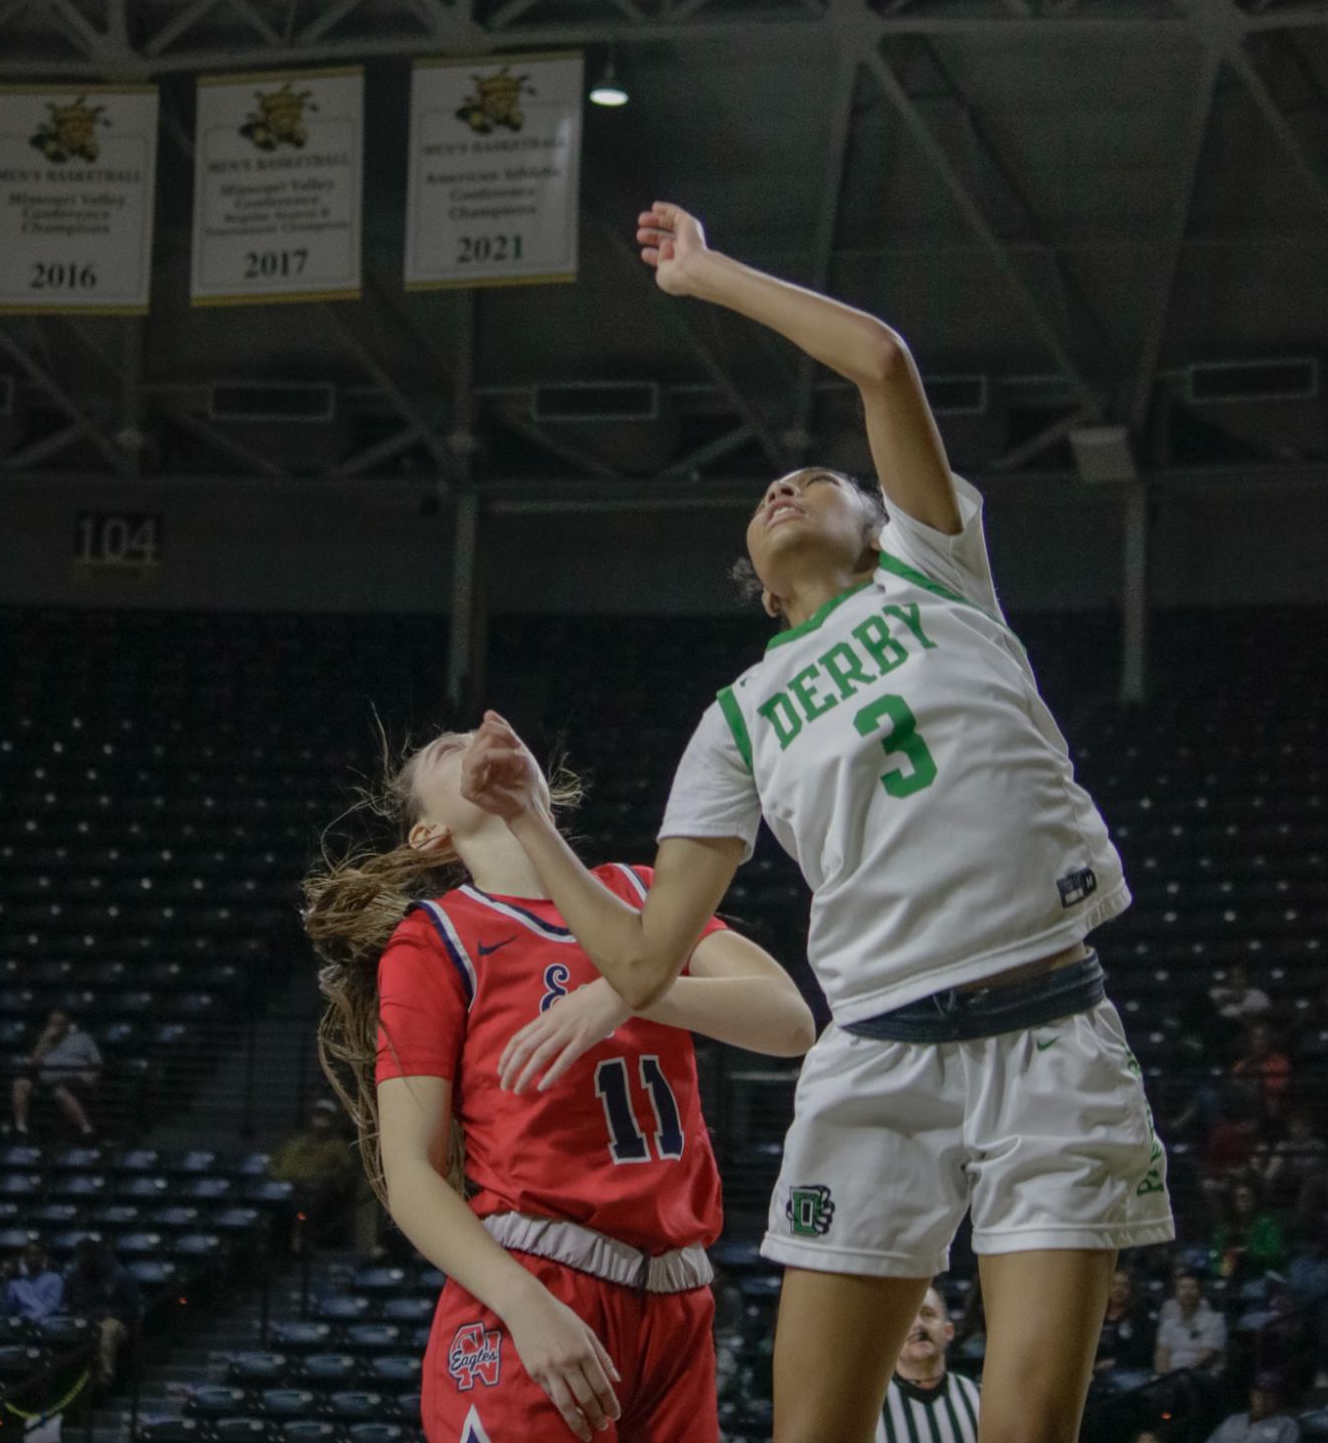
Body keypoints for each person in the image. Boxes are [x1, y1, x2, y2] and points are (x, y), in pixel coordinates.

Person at [460, 199, 1175, 1443]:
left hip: (1052, 1036)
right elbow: (636, 962)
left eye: (821, 479)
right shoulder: (733, 718)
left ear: (876, 521)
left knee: (1027, 1427)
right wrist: (530, 820)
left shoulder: (930, 570)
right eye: (767, 493)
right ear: (752, 566)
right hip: (881, 1058)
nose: (788, 484)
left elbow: (879, 361)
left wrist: (707, 275)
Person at [303, 727, 814, 1443]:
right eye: (445, 751)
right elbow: (411, 1171)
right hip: (540, 1280)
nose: (468, 736)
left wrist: (630, 990)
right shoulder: (438, 935)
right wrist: (522, 1303)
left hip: (677, 1301)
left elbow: (791, 1021)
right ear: (431, 833)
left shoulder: (639, 894)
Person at [877, 1284, 979, 1443]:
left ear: (949, 1331)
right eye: (907, 1316)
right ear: (891, 1336)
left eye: (928, 1314)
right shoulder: (869, 1408)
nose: (919, 1324)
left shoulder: (979, 1398)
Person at [269, 1098, 358, 1252]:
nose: (320, 1121)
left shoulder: (338, 1146)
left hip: (318, 1191)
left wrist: (327, 1178)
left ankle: (307, 1244)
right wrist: (278, 1176)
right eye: (318, 1115)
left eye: (325, 1117)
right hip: (287, 1187)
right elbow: (274, 1162)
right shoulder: (294, 1143)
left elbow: (347, 1171)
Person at [10, 1009, 101, 1138]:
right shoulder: (43, 1040)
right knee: (19, 1084)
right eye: (52, 1023)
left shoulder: (83, 1038)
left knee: (60, 1092)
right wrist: (44, 1040)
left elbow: (97, 1063)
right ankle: (20, 1129)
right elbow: (33, 1064)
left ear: (66, 1025)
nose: (54, 1026)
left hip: (75, 1079)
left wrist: (91, 1077)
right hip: (45, 1081)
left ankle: (87, 1130)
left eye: (58, 1023)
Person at [61, 1237, 139, 1386]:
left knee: (106, 1330)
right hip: (83, 1318)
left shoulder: (120, 1276)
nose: (83, 1261)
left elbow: (133, 1311)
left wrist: (109, 1313)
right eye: (81, 1257)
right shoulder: (74, 1276)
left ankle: (104, 1377)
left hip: (115, 1321)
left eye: (88, 1256)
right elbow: (68, 1304)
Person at [1209, 1179, 1285, 1283]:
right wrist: (1222, 1268)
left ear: (1254, 1199)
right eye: (1239, 1197)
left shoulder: (1267, 1223)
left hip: (1260, 1274)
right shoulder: (1225, 1227)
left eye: (1248, 1197)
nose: (1244, 1200)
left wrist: (1249, 1250)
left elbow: (1274, 1255)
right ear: (1233, 1202)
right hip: (1231, 1274)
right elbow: (1215, 1257)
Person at [1154, 1271, 1226, 1378]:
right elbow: (1162, 1353)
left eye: (1192, 1288)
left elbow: (1206, 1357)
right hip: (1171, 1376)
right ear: (1176, 1293)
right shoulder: (1168, 1323)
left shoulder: (1215, 1320)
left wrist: (1178, 1376)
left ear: (1200, 1292)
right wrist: (1163, 1374)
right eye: (1182, 1288)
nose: (1187, 1292)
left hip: (1201, 1375)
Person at [1094, 1265, 1156, 1377]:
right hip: (1096, 1370)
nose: (1119, 1290)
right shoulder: (1096, 1314)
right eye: (1115, 1285)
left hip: (1129, 1370)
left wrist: (1116, 1362)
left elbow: (1144, 1349)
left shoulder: (1140, 1315)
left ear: (1131, 1290)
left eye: (1124, 1285)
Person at [1203, 1373, 1300, 1443]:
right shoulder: (1233, 1420)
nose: (1263, 1400)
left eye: (1269, 1396)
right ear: (1252, 1395)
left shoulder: (1286, 1425)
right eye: (1259, 1395)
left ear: (1279, 1398)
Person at [1, 1238, 64, 1325]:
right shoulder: (15, 1283)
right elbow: (8, 1309)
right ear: (24, 1259)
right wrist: (6, 1281)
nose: (32, 1258)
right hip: (21, 1325)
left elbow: (51, 1306)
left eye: (36, 1254)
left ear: (43, 1257)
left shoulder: (55, 1278)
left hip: (47, 1324)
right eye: (28, 1255)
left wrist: (32, 1318)